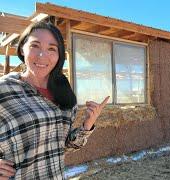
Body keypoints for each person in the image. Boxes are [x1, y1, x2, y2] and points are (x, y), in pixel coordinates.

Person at [0, 21, 109, 179]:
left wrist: (87, 124)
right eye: (35, 46)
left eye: (51, 48)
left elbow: (63, 147)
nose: (42, 55)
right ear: (22, 48)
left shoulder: (63, 92)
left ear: (59, 55)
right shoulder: (4, 89)